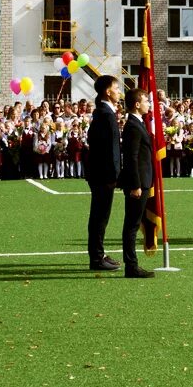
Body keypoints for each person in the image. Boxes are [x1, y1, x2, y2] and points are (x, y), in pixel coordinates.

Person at [117, 89, 156, 279]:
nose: (149, 104)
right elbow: (131, 158)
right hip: (138, 181)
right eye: (146, 101)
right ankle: (131, 266)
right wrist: (135, 185)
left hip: (143, 179)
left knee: (133, 223)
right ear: (137, 104)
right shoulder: (132, 125)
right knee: (132, 225)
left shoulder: (138, 123)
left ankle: (132, 265)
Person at [85, 75, 122, 271]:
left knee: (100, 216)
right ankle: (97, 258)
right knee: (100, 217)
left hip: (100, 173)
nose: (119, 91)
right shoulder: (105, 114)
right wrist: (116, 174)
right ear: (108, 91)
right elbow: (109, 149)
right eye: (116, 88)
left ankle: (98, 254)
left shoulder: (104, 112)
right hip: (103, 174)